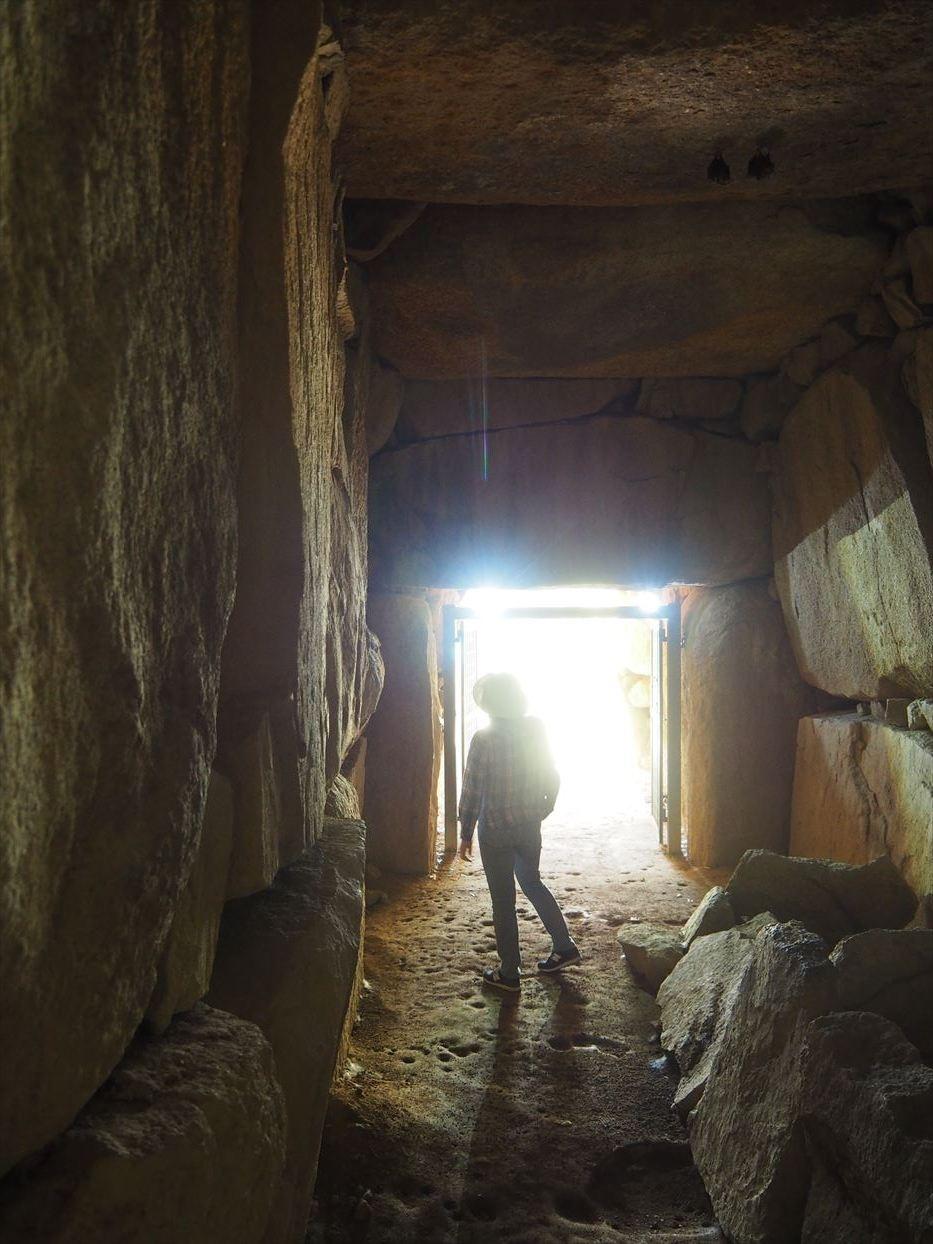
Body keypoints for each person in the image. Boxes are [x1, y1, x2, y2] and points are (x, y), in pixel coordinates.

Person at [458, 672, 580, 992]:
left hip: (495, 830)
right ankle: (564, 946)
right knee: (532, 882)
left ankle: (509, 972)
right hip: (528, 825)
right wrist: (544, 807)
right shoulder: (535, 728)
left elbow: (472, 789)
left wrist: (465, 831)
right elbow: (551, 772)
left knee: (503, 901)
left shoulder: (484, 739)